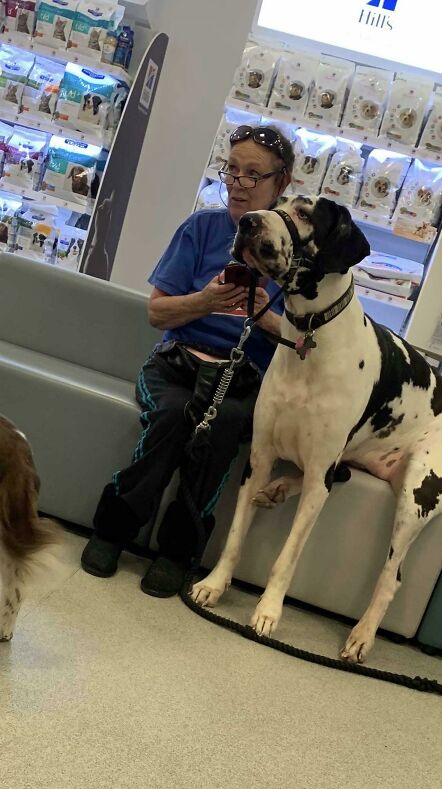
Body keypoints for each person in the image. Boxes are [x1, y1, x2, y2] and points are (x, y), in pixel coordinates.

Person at [80, 125, 294, 597]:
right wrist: (205, 301)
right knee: (173, 417)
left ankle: (177, 552)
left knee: (221, 427)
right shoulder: (201, 228)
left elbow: (304, 339)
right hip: (176, 364)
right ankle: (112, 530)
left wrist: (262, 314)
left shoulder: (294, 255)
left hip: (242, 378)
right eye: (231, 172)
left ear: (281, 183)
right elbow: (157, 313)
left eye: (252, 175)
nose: (237, 184)